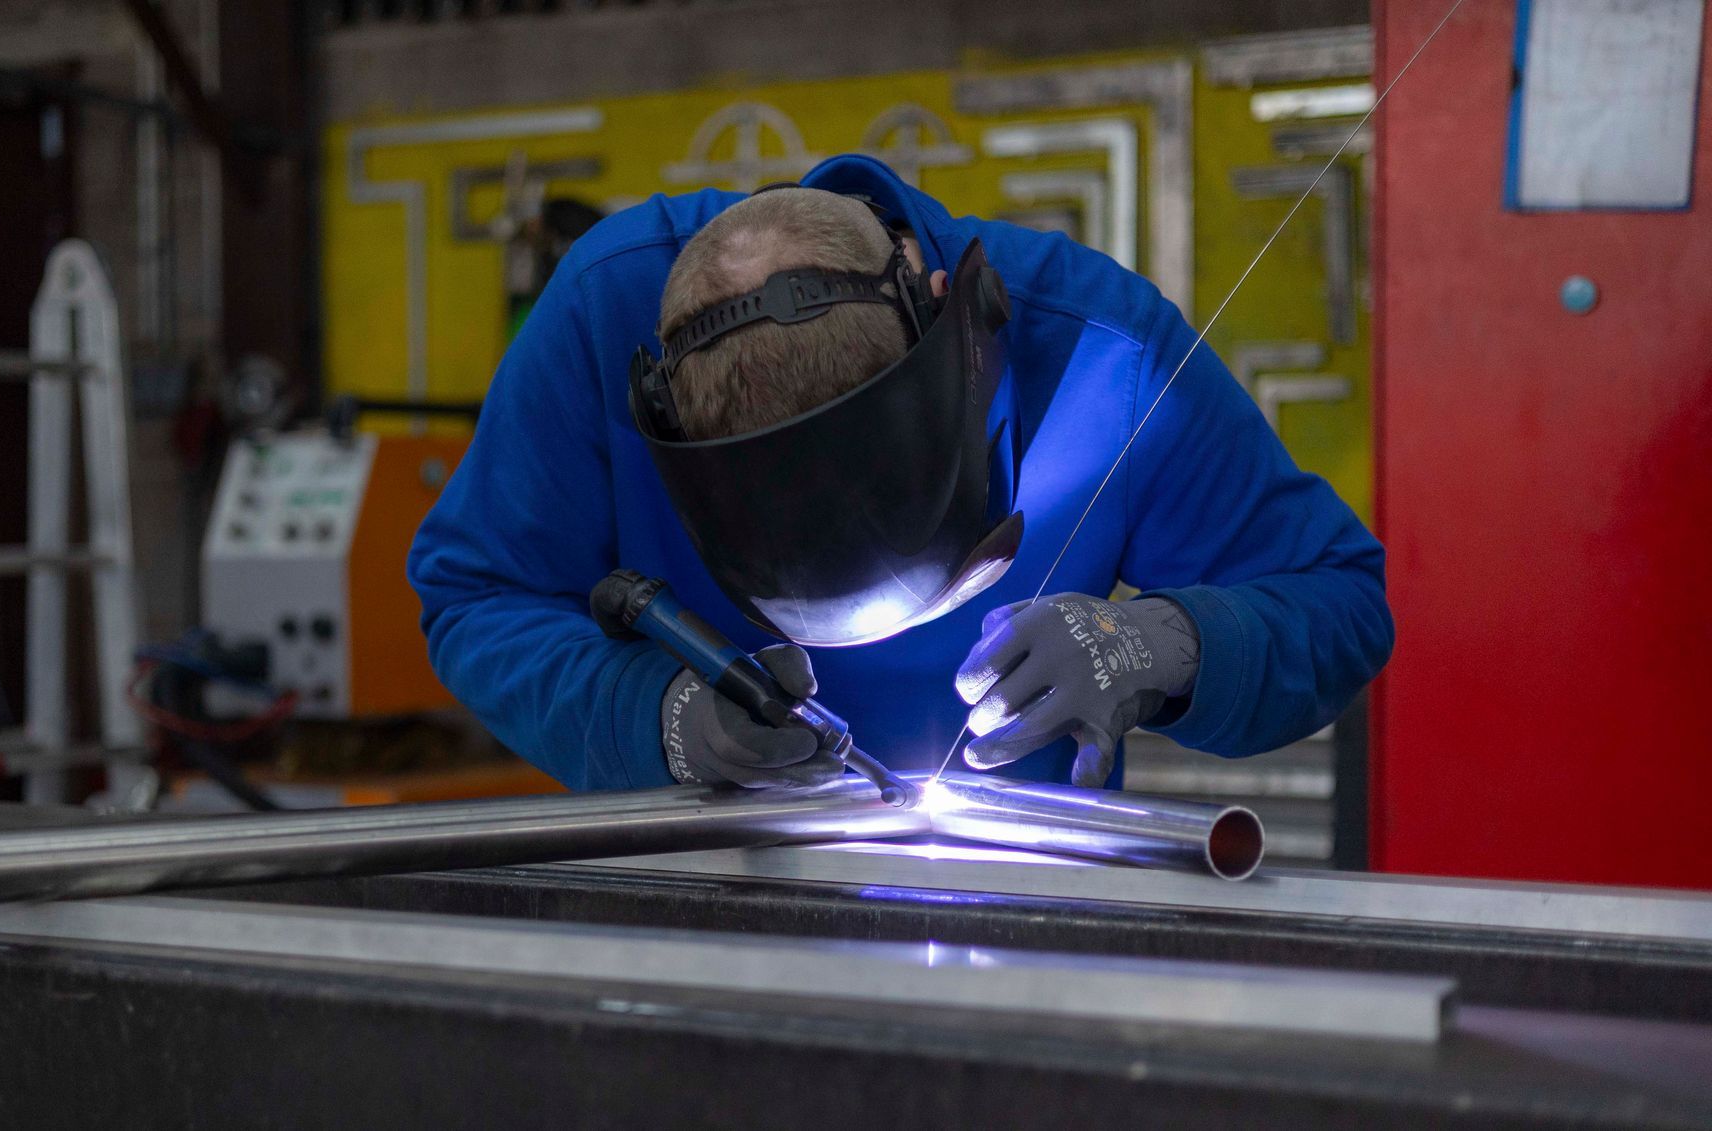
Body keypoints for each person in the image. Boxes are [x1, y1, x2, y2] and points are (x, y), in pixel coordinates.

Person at [409, 154, 1392, 792]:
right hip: (693, 912)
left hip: (1014, 937)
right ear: (661, 411)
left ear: (947, 328)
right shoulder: (599, 315)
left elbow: (1339, 599)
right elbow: (476, 595)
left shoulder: (1099, 350)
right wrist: (656, 719)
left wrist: (1162, 646)